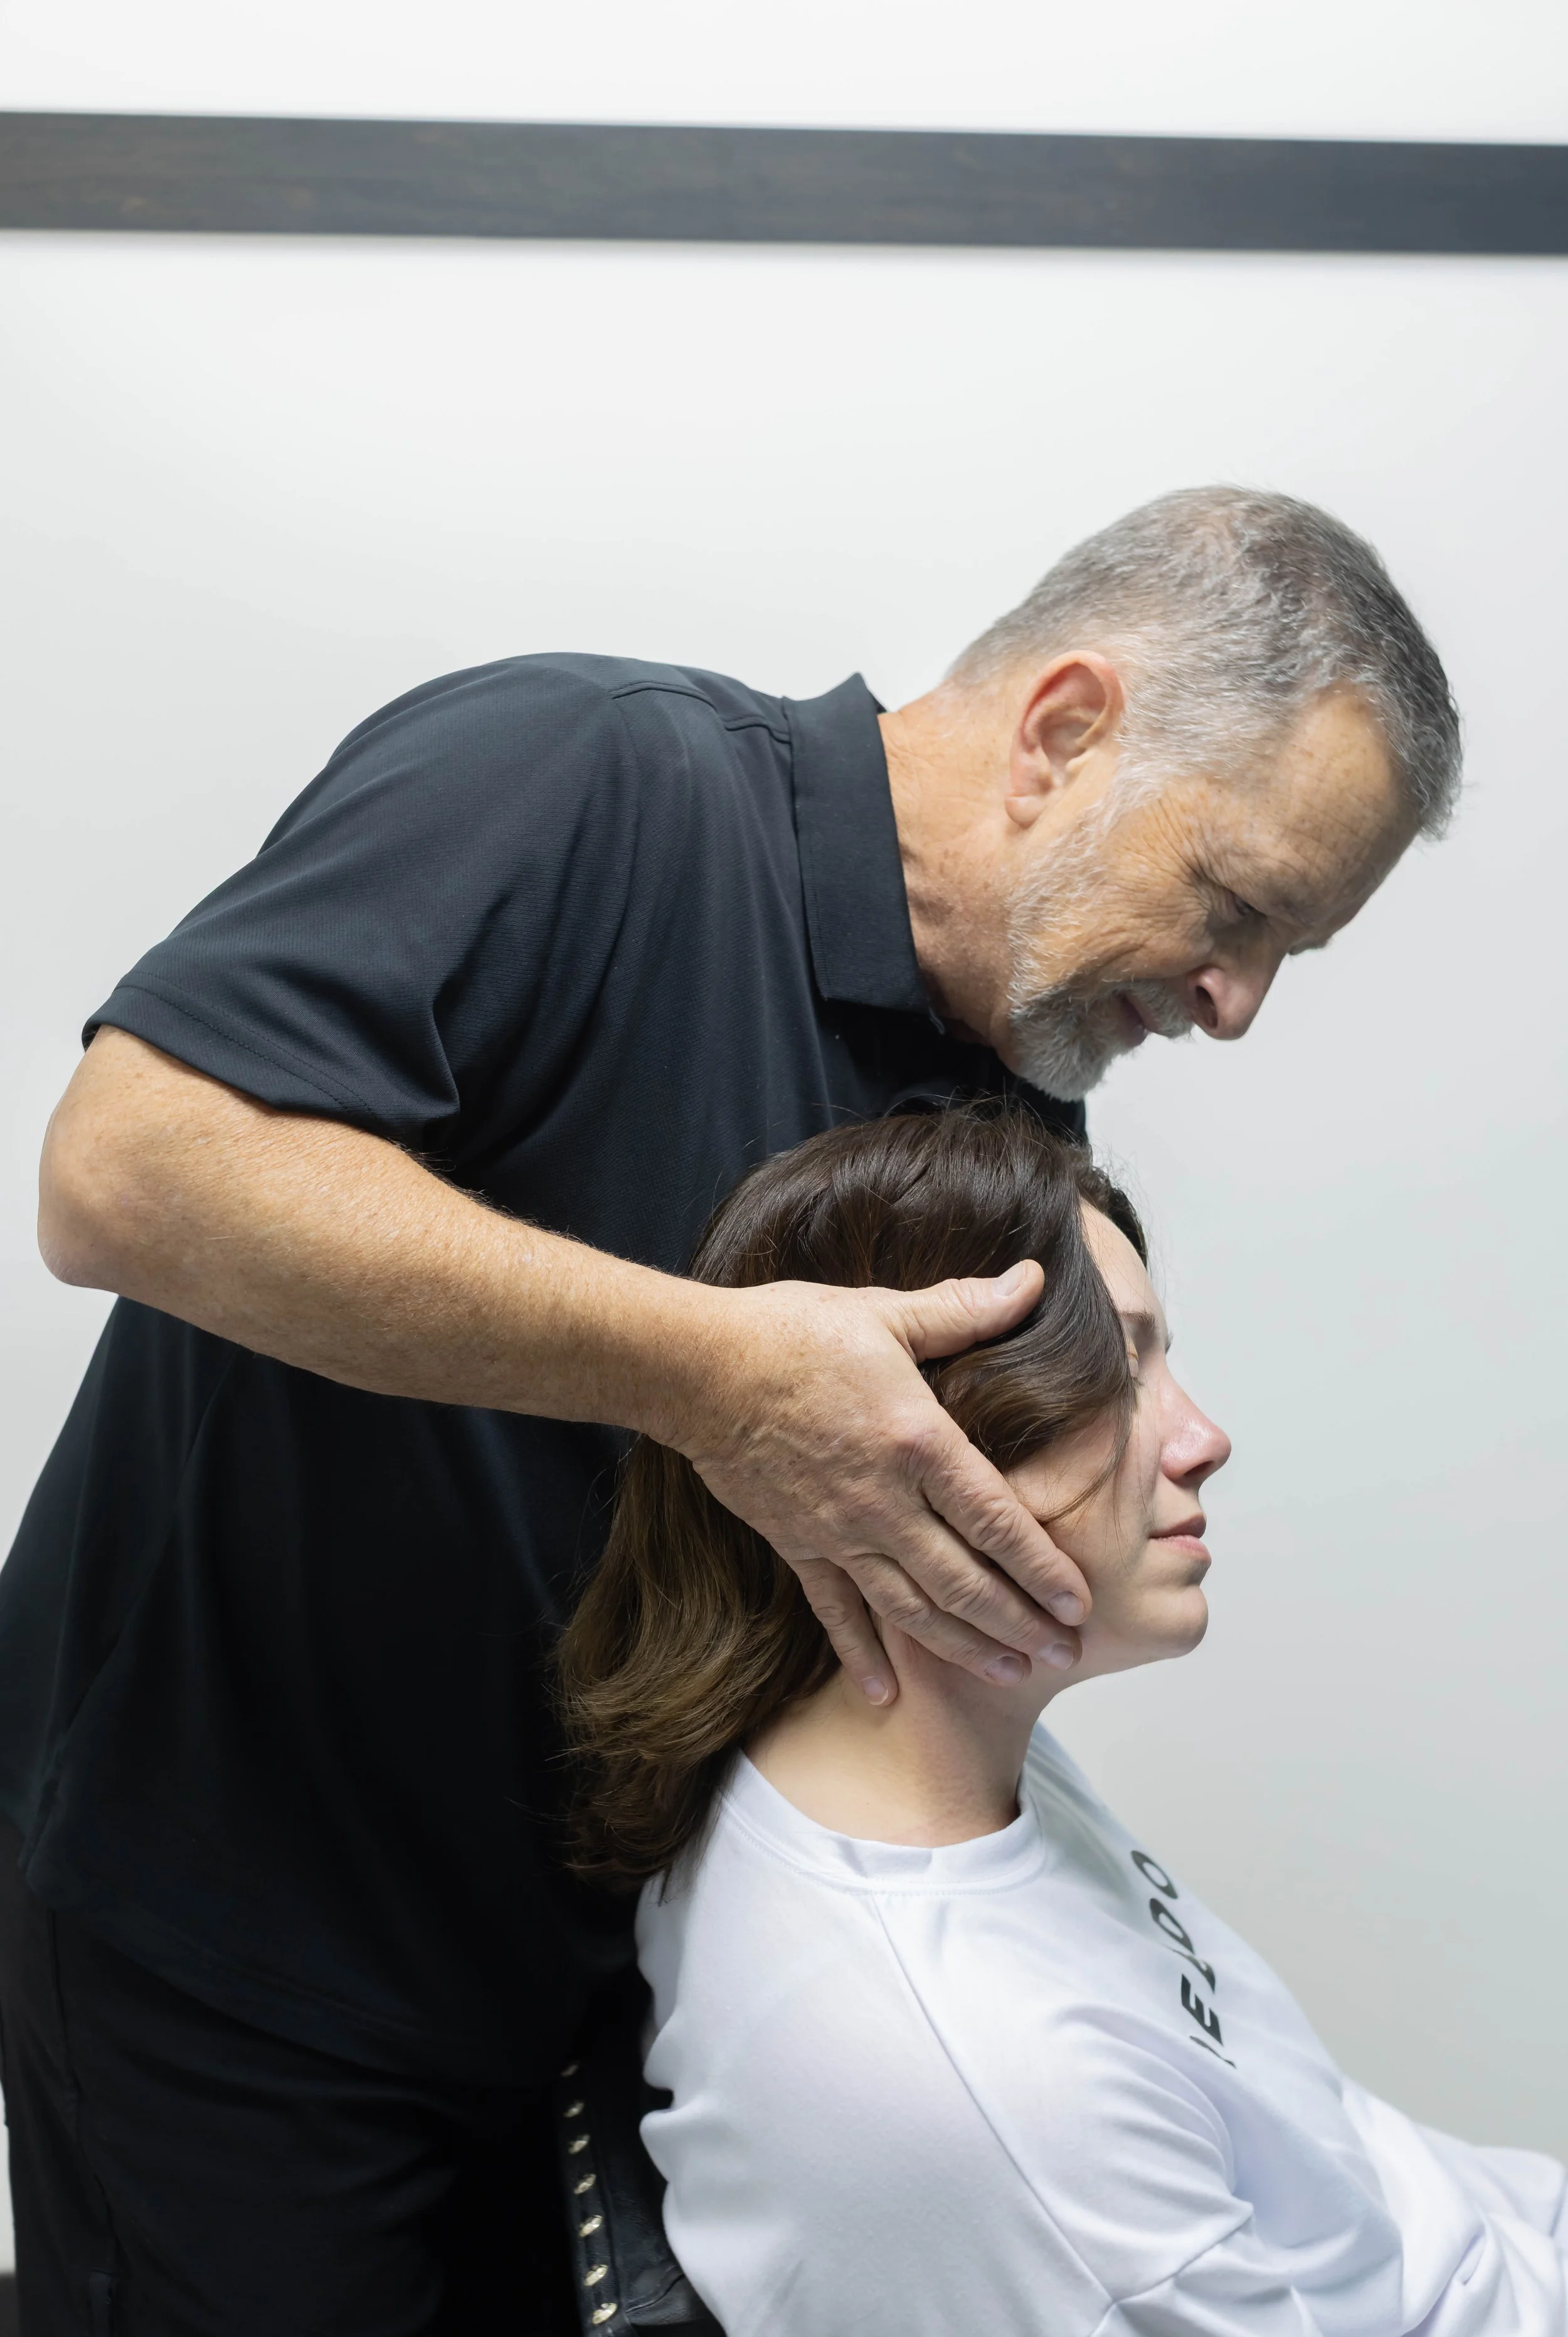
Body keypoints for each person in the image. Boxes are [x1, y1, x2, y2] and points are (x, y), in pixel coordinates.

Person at [1, 490, 1459, 2330]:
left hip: (600, 1986)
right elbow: (128, 1173)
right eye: (1232, 909)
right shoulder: (584, 778)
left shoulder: (1012, 1085)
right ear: (1065, 727)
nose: (1232, 1002)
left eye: (1284, 952)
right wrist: (711, 1371)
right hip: (237, 1946)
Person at [562, 1105, 1568, 2337]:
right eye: (1115, 1371)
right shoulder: (979, 2084)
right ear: (888, 1442)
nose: (1203, 1440)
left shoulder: (936, 1758)